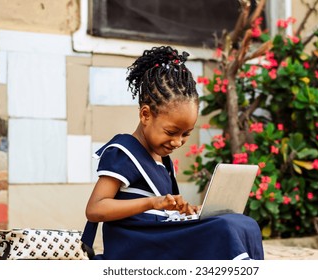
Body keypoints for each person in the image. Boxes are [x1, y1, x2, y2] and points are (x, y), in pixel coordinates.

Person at [82, 46, 264, 260]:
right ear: (145, 114)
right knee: (222, 229)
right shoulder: (124, 152)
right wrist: (153, 202)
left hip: (157, 238)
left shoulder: (164, 162)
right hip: (135, 246)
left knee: (243, 223)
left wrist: (187, 211)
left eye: (186, 134)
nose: (178, 142)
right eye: (171, 132)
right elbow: (95, 209)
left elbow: (162, 210)